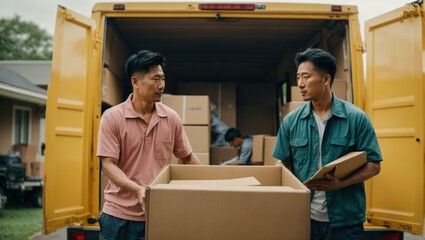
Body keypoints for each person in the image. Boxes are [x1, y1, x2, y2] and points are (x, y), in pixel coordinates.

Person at [272, 48, 382, 240]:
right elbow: (282, 164)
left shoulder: (356, 118)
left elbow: (373, 165)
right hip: (305, 218)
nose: (300, 84)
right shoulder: (291, 122)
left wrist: (341, 183)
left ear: (325, 80)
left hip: (345, 221)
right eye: (298, 77)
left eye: (306, 77)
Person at [97, 49, 201, 240]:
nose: (161, 85)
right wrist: (138, 189)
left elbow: (187, 157)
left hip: (158, 213)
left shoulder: (171, 118)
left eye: (163, 78)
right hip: (118, 216)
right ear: (135, 82)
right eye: (156, 79)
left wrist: (208, 184)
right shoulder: (113, 117)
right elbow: (108, 164)